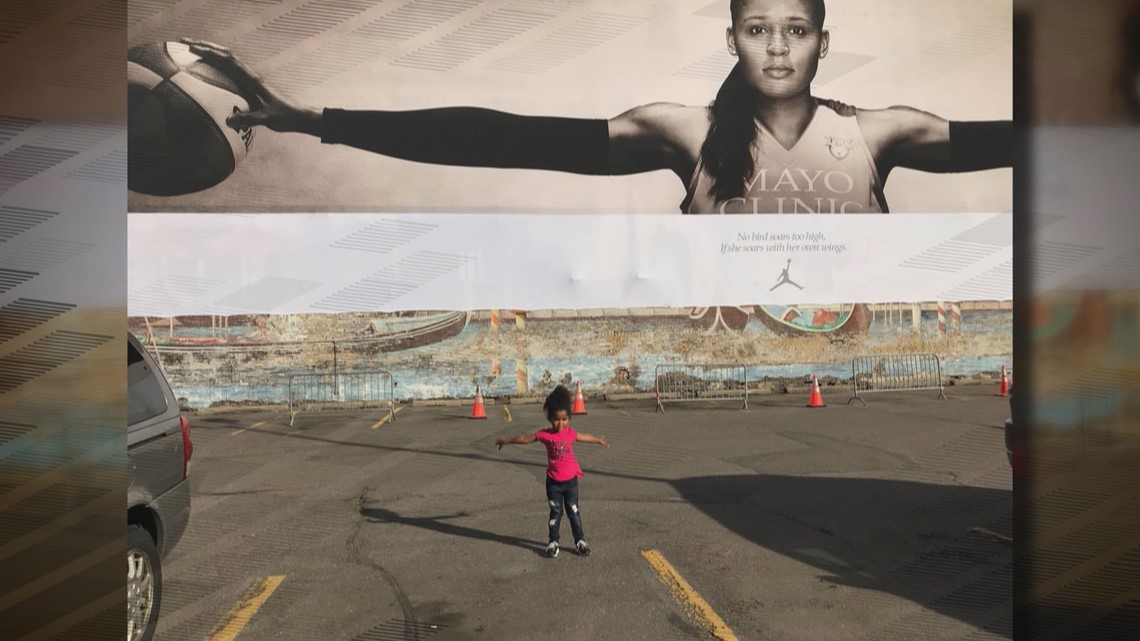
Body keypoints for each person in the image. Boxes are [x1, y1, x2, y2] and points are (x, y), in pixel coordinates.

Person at [181, 0, 1010, 214]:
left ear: (824, 42)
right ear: (733, 40)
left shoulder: (881, 130)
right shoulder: (683, 132)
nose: (780, 47)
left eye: (797, 29)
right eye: (760, 29)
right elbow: (497, 140)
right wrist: (314, 119)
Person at [496, 385, 608, 557]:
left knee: (573, 512)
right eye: (556, 419)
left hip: (571, 483)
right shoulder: (545, 435)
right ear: (550, 418)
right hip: (553, 484)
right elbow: (525, 438)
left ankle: (580, 541)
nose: (560, 424)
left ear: (568, 418)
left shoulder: (570, 433)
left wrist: (597, 440)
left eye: (564, 419)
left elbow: (584, 436)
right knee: (555, 513)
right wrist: (507, 441)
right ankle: (553, 542)